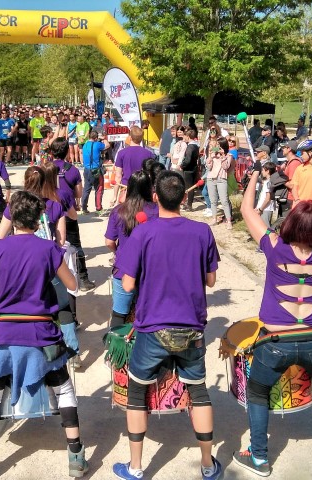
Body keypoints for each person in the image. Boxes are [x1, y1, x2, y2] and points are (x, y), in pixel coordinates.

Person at [234, 167, 312, 476]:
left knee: (258, 392)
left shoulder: (274, 246)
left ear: (290, 223)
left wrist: (254, 178)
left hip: (276, 340)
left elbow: (247, 210)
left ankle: (259, 457)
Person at [0, 191, 87, 480]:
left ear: (12, 218)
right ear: (38, 220)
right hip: (42, 334)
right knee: (63, 387)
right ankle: (75, 455)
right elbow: (73, 285)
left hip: (4, 334)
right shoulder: (48, 249)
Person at [112, 170, 221, 480]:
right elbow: (211, 280)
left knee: (137, 392)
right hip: (192, 327)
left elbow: (128, 285)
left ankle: (135, 467)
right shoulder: (202, 232)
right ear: (184, 197)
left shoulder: (143, 233)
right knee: (199, 393)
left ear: (155, 197)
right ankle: (208, 465)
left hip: (152, 328)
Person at [104, 170, 157, 328]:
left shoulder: (118, 211)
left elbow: (109, 241)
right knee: (148, 313)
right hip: (150, 270)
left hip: (123, 270)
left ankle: (116, 343)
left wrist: (118, 253)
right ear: (149, 188)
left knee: (119, 313)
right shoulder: (156, 211)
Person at [49, 139, 96, 291]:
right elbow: (79, 193)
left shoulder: (45, 168)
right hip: (67, 212)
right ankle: (83, 279)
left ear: (52, 151)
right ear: (67, 152)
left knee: (49, 245)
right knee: (75, 245)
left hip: (49, 213)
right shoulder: (72, 170)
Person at [112, 126, 154, 205]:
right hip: (142, 189)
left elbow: (118, 176)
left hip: (126, 188)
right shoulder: (149, 154)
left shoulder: (122, 153)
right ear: (141, 139)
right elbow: (150, 175)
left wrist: (115, 196)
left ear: (130, 137)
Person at [205, 136, 233, 227]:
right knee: (213, 200)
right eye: (216, 144)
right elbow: (208, 167)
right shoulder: (213, 155)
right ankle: (214, 218)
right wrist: (210, 155)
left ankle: (229, 221)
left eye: (219, 145)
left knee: (224, 200)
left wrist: (223, 156)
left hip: (221, 179)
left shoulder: (229, 156)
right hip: (211, 178)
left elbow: (225, 167)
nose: (217, 146)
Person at [81, 130, 108, 214]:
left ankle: (84, 208)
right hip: (96, 170)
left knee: (86, 189)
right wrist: (104, 138)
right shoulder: (97, 144)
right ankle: (98, 208)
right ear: (96, 138)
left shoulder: (85, 145)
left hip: (86, 169)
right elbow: (107, 145)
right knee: (99, 188)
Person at [180, 128, 201, 212]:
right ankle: (188, 204)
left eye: (184, 136)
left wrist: (182, 165)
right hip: (193, 168)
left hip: (188, 169)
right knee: (190, 187)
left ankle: (189, 205)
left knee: (189, 187)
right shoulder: (196, 145)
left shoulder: (190, 146)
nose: (183, 137)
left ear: (188, 137)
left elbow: (187, 159)